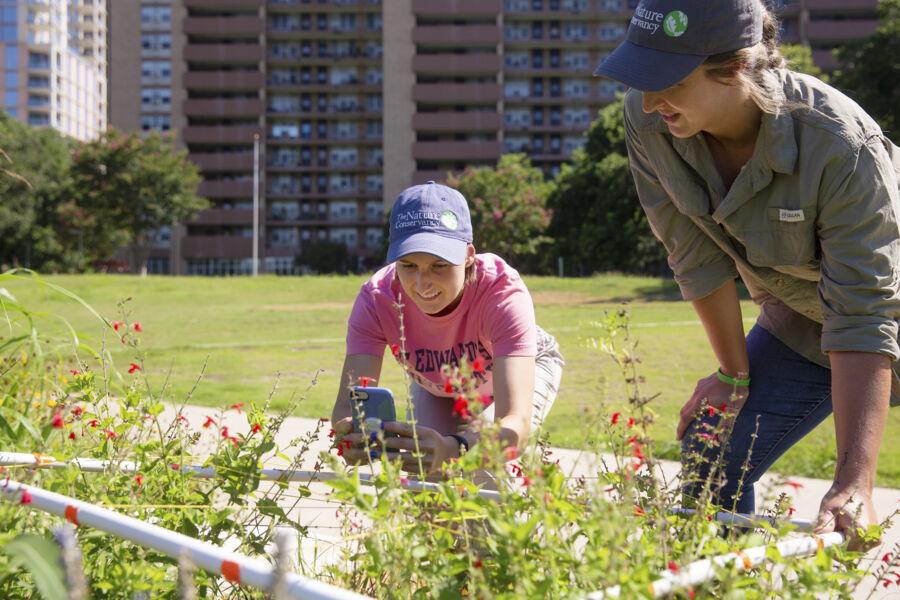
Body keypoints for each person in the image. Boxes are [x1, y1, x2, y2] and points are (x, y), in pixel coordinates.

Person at [594, 0, 899, 547]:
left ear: (734, 67)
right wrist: (733, 376)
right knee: (713, 444)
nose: (650, 98)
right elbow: (693, 252)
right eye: (640, 75)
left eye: (668, 80)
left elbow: (865, 312)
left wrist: (855, 483)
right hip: (804, 315)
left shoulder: (842, 146)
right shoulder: (648, 120)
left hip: (874, 313)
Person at [330, 182, 564, 475]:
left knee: (488, 476)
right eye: (408, 265)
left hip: (523, 365)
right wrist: (351, 436)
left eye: (439, 265)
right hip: (438, 385)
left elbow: (514, 424)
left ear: (468, 256)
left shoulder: (502, 295)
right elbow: (344, 408)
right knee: (424, 476)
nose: (420, 283)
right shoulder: (377, 300)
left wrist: (457, 447)